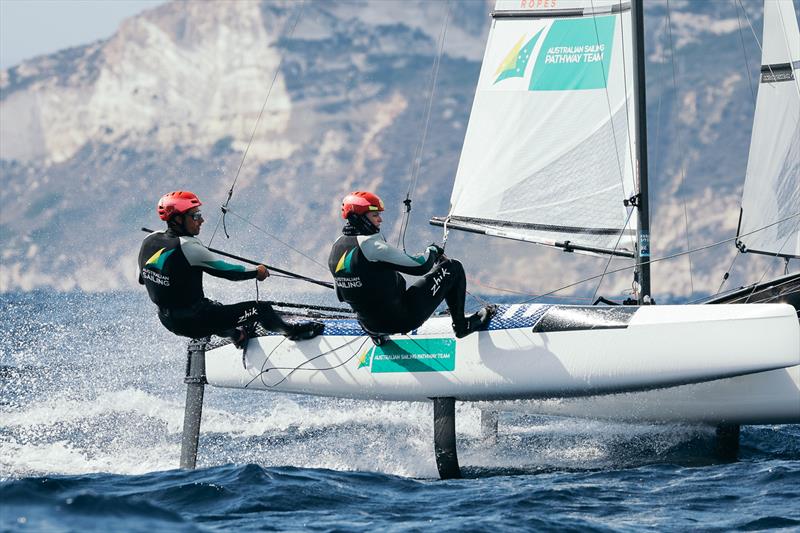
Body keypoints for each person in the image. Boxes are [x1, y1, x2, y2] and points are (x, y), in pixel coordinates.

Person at [137, 190, 324, 347]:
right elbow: (229, 272)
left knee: (214, 309)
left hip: (168, 320)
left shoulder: (149, 240)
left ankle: (238, 336)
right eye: (195, 216)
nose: (201, 220)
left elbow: (143, 278)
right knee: (262, 310)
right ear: (177, 219)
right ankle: (293, 333)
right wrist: (256, 272)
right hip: (194, 321)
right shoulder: (188, 246)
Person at [328, 191, 494, 341]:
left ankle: (376, 335)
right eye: (374, 215)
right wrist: (433, 250)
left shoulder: (336, 246)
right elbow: (421, 266)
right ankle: (462, 326)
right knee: (453, 268)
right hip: (402, 319)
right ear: (360, 217)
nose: (380, 219)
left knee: (368, 301)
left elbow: (341, 295)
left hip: (368, 326)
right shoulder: (370, 245)